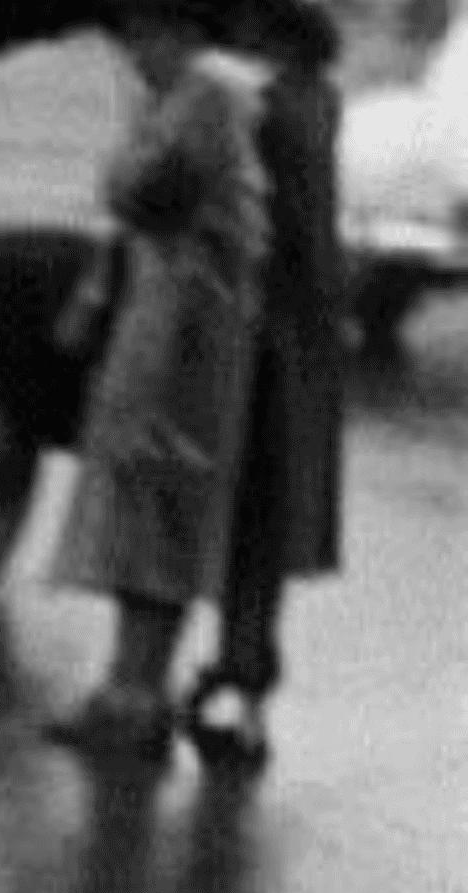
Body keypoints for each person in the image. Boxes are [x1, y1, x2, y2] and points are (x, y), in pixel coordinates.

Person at [45, 0, 270, 762]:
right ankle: (124, 682)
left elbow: (141, 190)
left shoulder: (209, 91)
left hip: (192, 326)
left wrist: (127, 164)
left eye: (142, 32)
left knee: (164, 494)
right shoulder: (177, 94)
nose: (134, 48)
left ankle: (141, 693)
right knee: (136, 496)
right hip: (160, 312)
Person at [181, 0, 346, 771]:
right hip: (301, 341)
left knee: (242, 516)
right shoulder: (318, 97)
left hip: (259, 337)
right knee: (270, 526)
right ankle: (245, 686)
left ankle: (230, 678)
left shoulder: (262, 104)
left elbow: (295, 230)